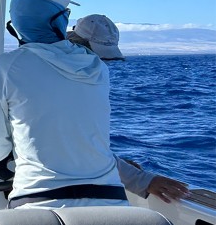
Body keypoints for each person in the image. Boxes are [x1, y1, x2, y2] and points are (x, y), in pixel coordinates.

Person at [0, 0, 128, 209]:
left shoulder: (3, 68)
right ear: (59, 21)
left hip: (40, 203)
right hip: (111, 200)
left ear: (16, 23)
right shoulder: (98, 67)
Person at [67, 14, 190, 203]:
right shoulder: (68, 87)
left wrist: (114, 162)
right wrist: (139, 179)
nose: (102, 63)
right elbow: (77, 146)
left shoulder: (74, 78)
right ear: (78, 45)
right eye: (98, 55)